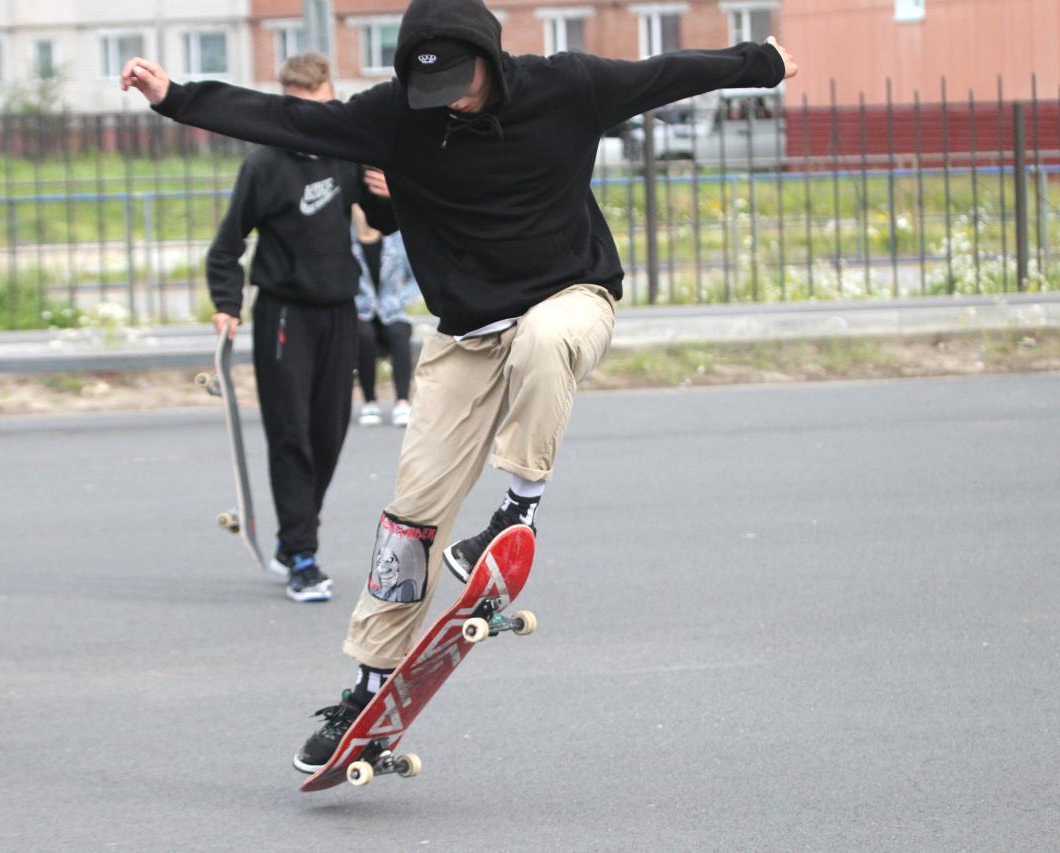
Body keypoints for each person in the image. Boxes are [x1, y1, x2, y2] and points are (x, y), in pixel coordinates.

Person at [121, 0, 797, 771]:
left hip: (571, 299)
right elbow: (285, 121)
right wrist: (178, 97)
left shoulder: (569, 85)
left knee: (543, 338)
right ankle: (368, 683)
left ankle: (518, 512)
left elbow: (667, 72)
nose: (451, 100)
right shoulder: (395, 114)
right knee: (407, 522)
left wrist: (762, 62)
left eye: (462, 83)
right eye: (431, 87)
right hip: (464, 339)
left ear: (489, 55)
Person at [203, 52, 394, 603]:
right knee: (291, 435)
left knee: (329, 433)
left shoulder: (346, 155)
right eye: (300, 110)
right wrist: (226, 303)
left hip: (340, 311)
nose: (313, 121)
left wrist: (389, 198)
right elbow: (226, 247)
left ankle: (295, 535)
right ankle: (303, 555)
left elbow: (382, 223)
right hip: (284, 314)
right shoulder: (264, 165)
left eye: (321, 108)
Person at [350, 205, 420, 428]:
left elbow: (415, 276)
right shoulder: (345, 240)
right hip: (361, 312)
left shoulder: (396, 238)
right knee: (363, 335)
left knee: (399, 332)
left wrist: (399, 300)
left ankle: (402, 401)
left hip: (392, 310)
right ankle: (370, 401)